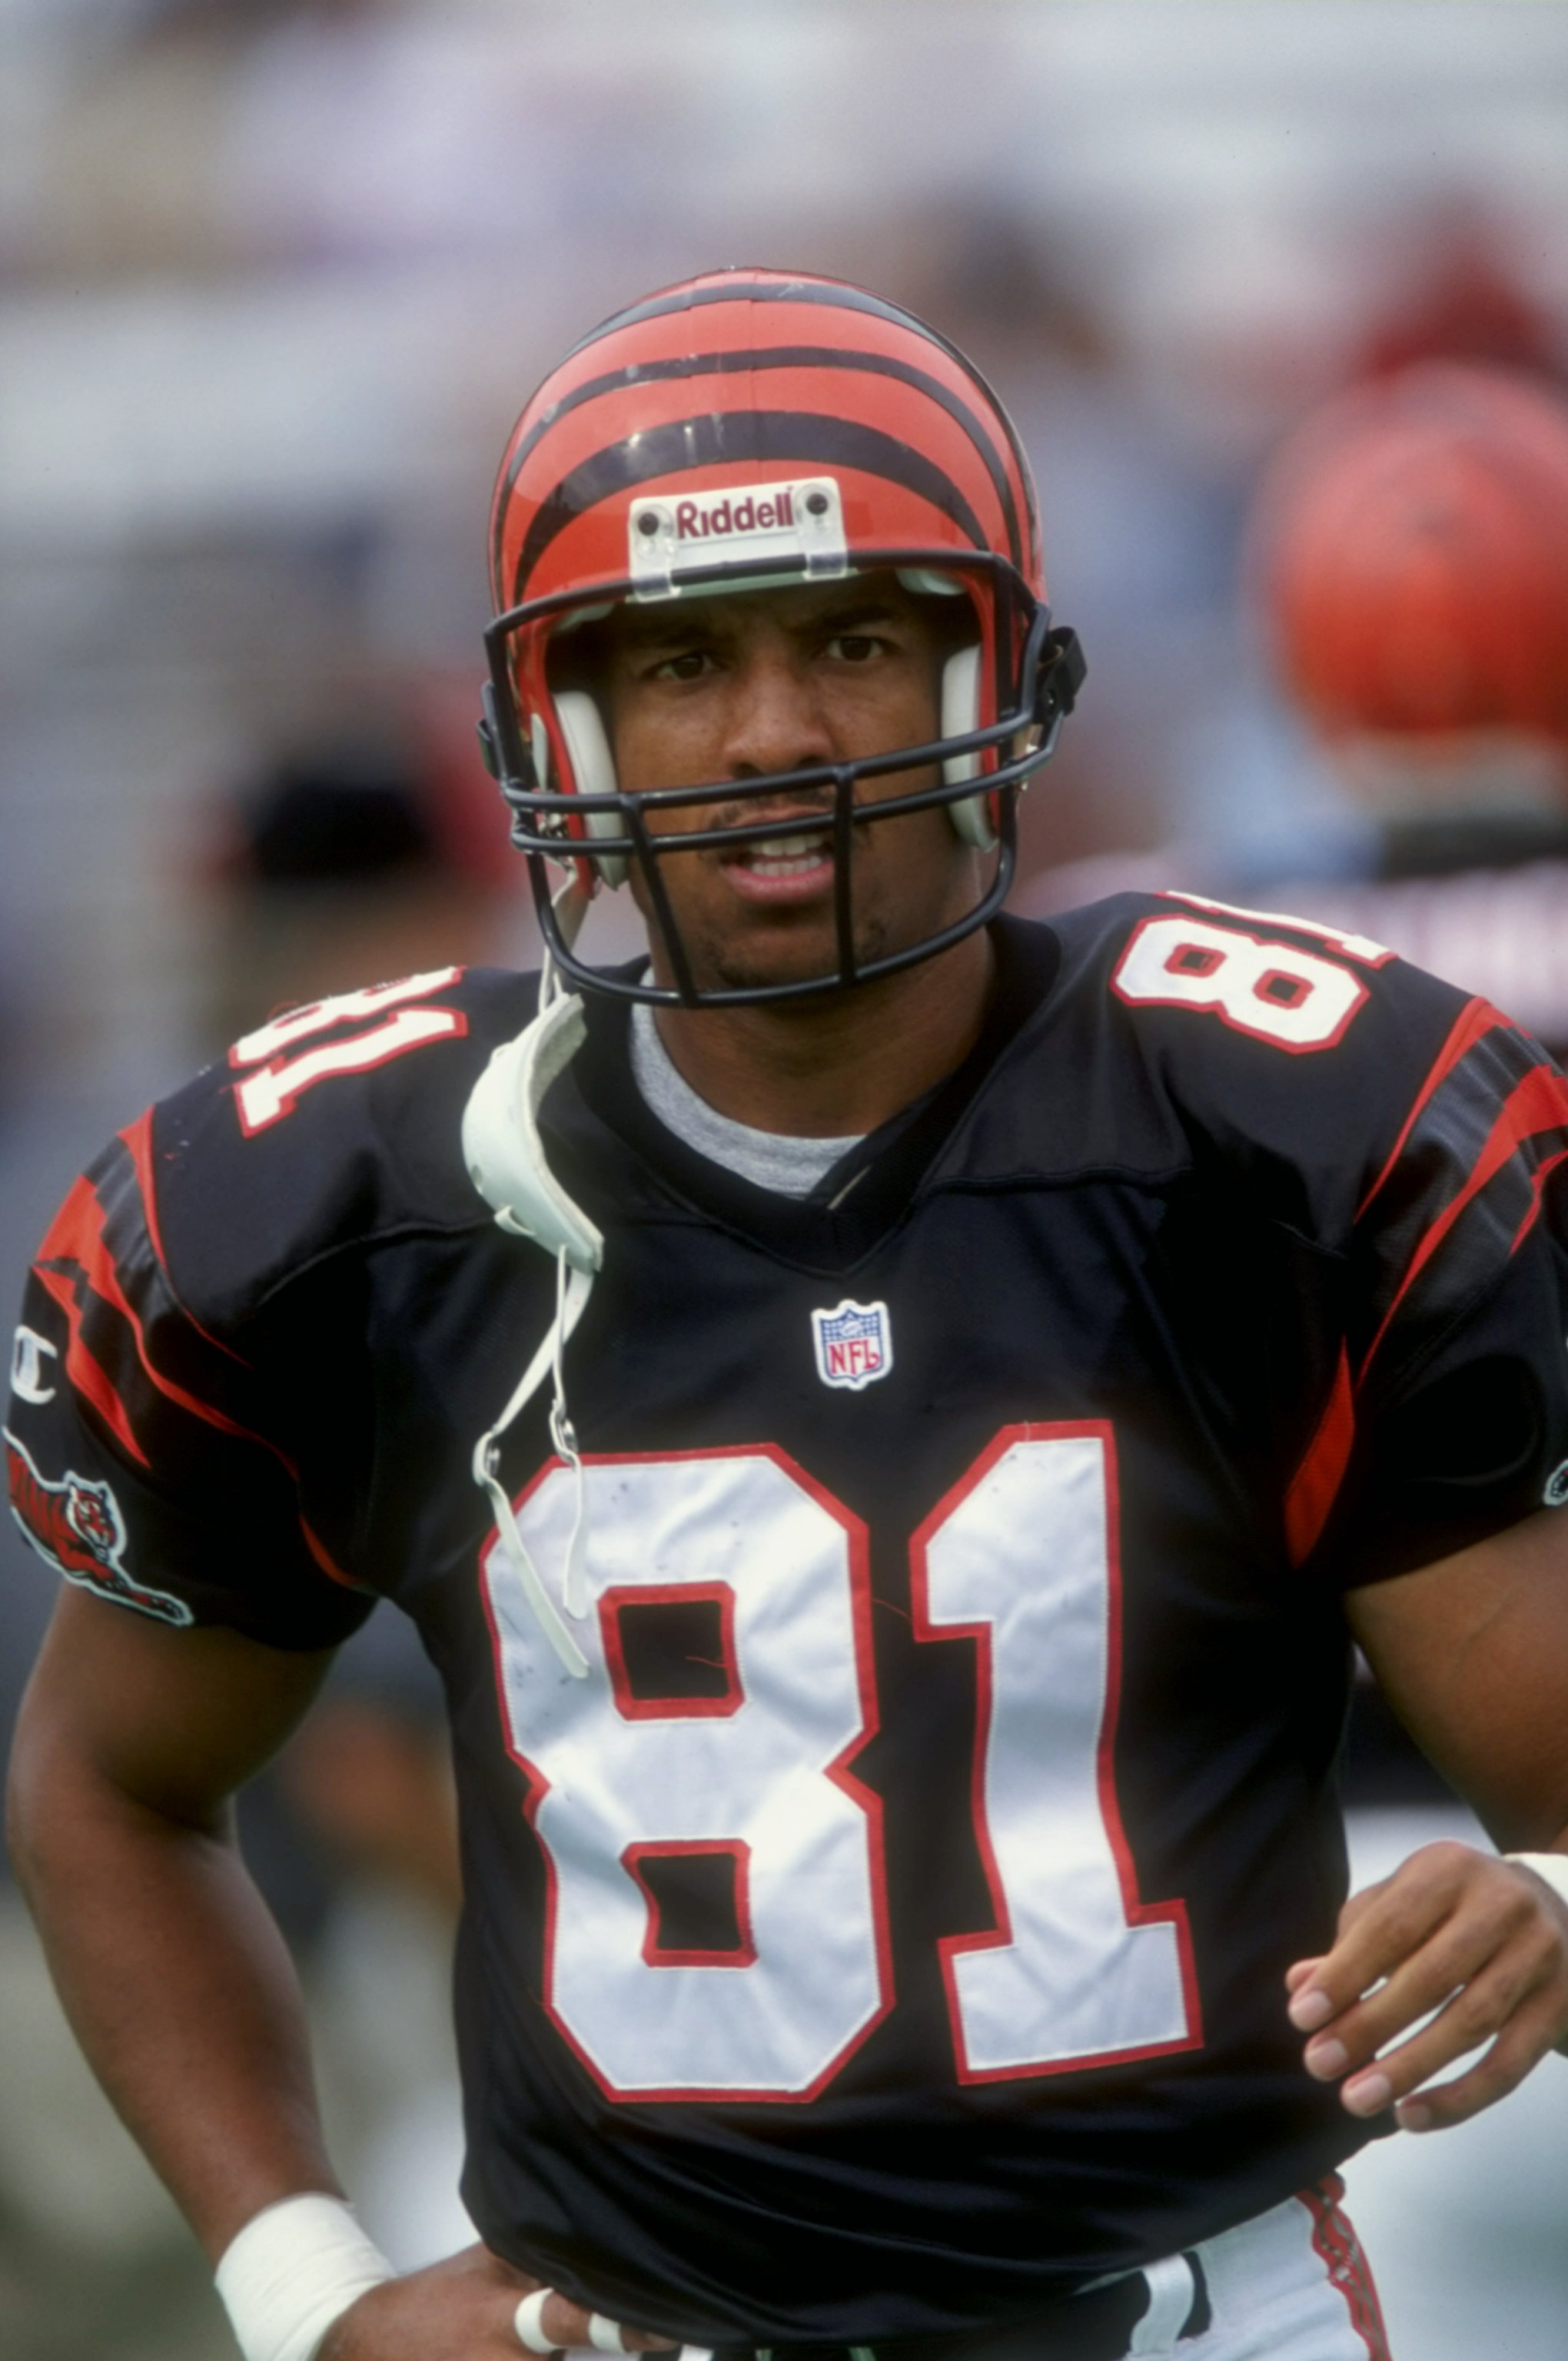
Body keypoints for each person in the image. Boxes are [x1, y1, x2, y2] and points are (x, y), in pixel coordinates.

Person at [7, 266, 1568, 2361]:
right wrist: (303, 2291)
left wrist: (1552, 1907)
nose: (772, 735)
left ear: (1000, 671)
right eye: (679, 660)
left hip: (1209, 2315)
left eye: (853, 640)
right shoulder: (347, 1203)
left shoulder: (1272, 1133)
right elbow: (109, 1785)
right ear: (553, 724)